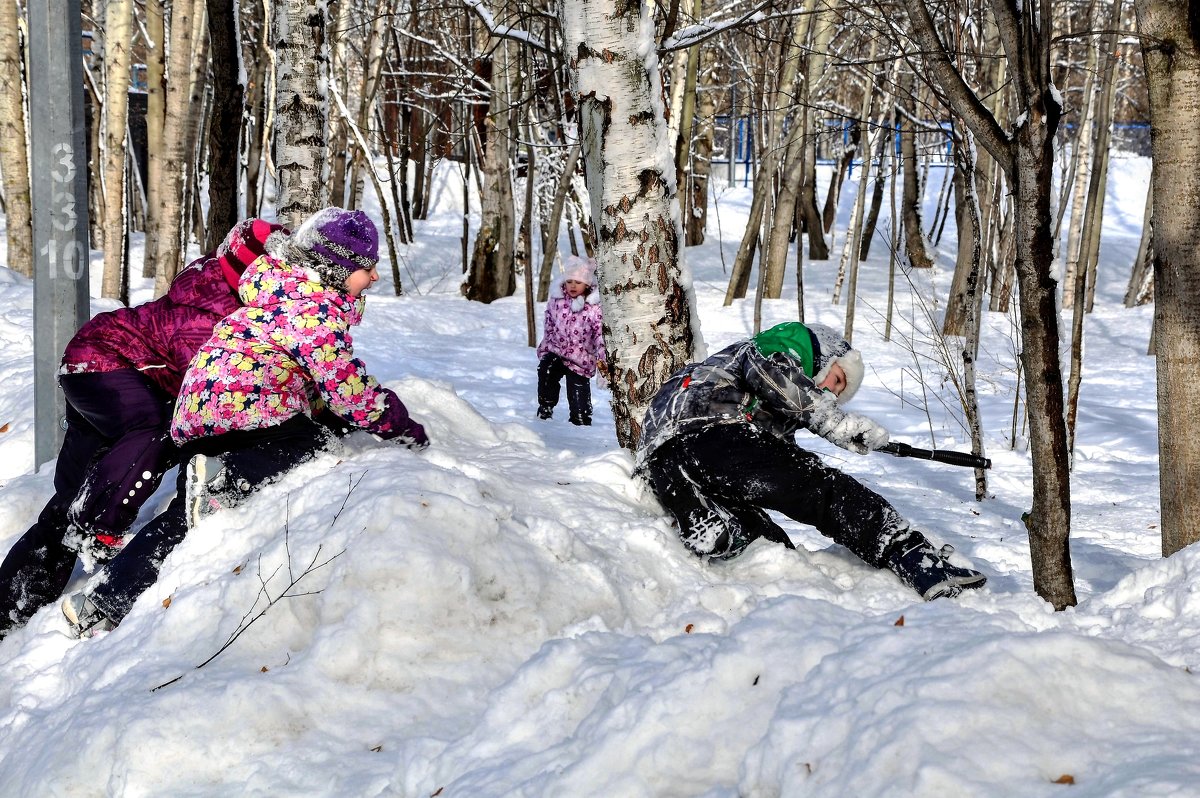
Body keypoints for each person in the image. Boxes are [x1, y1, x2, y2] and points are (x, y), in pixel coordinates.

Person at [60, 208, 429, 637]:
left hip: (198, 415)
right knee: (317, 439)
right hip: (245, 407)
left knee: (185, 517)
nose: (375, 277)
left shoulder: (275, 294)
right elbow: (350, 392)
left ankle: (101, 599)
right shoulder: (315, 312)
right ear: (336, 269)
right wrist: (405, 428)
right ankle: (225, 477)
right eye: (368, 268)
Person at [0, 219, 286, 640]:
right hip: (105, 367)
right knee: (154, 430)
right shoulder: (210, 317)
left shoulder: (215, 289)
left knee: (71, 500)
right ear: (250, 272)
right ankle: (102, 524)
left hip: (93, 366)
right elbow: (211, 390)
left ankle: (10, 609)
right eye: (269, 275)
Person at [636, 321, 987, 600]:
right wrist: (835, 422)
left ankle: (719, 529)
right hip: (713, 434)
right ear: (825, 355)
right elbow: (773, 375)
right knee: (823, 488)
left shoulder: (764, 401)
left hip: (666, 460)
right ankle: (911, 554)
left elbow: (780, 461)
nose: (833, 392)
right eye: (837, 379)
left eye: (839, 393)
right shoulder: (787, 344)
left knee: (772, 550)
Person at [536, 255, 606, 426]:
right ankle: (545, 407)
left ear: (587, 284)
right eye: (570, 281)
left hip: (581, 358)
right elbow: (550, 322)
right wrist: (546, 345)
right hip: (557, 351)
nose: (573, 286)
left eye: (578, 282)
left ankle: (581, 420)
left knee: (577, 388)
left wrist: (602, 361)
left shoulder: (593, 307)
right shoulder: (558, 300)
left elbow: (600, 335)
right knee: (546, 370)